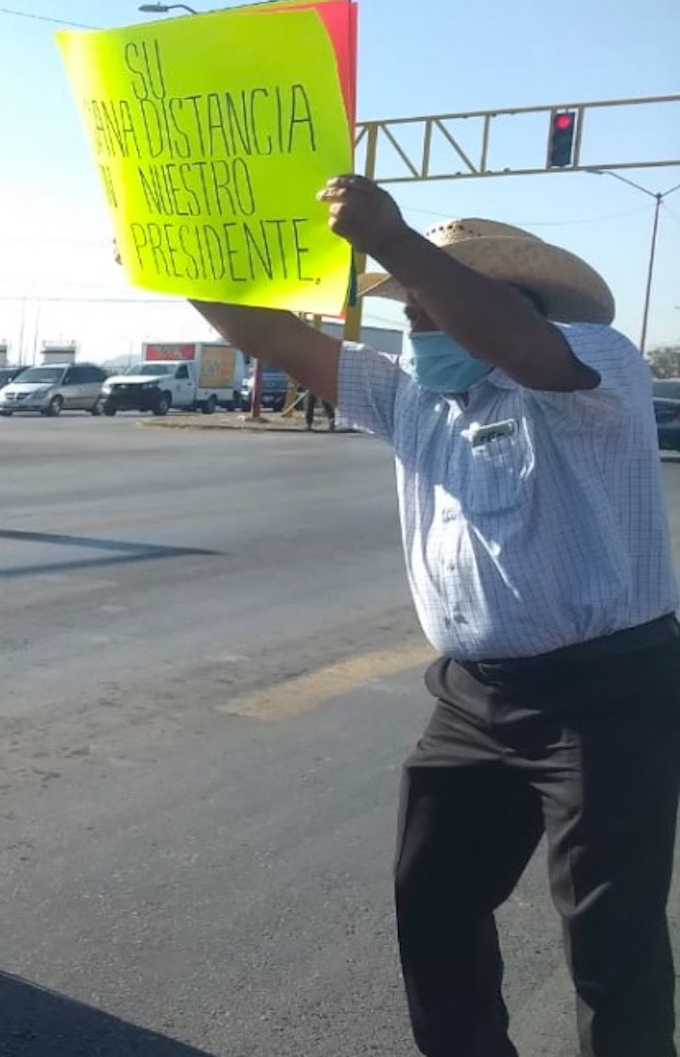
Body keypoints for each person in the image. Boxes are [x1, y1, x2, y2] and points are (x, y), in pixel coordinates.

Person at [188, 174, 679, 1057]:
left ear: (503, 304)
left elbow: (524, 352)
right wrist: (181, 264)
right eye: (408, 310)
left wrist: (394, 240)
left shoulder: (592, 364)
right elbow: (272, 334)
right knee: (435, 904)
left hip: (607, 697)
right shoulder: (412, 398)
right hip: (472, 699)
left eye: (426, 308)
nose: (414, 329)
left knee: (611, 940)